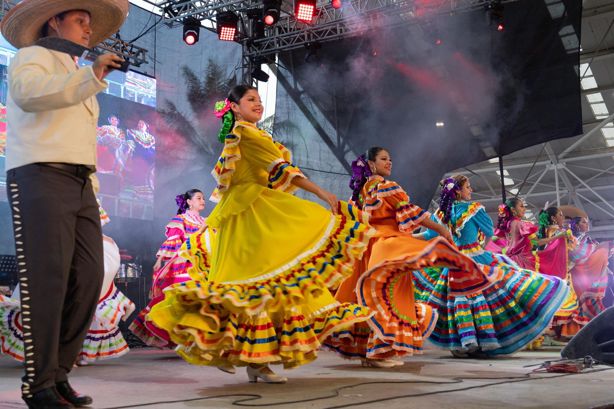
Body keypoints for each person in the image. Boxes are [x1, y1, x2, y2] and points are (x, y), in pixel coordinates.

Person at [148, 85, 374, 383]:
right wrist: (322, 192)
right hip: (250, 213)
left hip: (248, 212)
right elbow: (282, 170)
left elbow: (260, 176)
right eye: (250, 100)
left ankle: (253, 360)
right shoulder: (246, 134)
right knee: (256, 287)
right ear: (236, 107)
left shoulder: (247, 135)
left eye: (259, 99)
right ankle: (246, 358)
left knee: (256, 290)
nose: (257, 104)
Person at [1, 0, 128, 407]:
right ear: (54, 20)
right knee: (48, 282)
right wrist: (91, 75)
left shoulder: (76, 71)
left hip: (79, 184)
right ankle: (38, 385)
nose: (88, 30)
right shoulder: (31, 57)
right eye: (79, 20)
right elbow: (28, 95)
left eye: (89, 23)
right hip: (39, 175)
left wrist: (91, 188)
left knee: (90, 277)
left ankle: (58, 374)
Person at [324, 148, 496, 367]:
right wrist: (440, 230)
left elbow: (354, 218)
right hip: (388, 246)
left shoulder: (360, 193)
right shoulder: (387, 187)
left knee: (369, 297)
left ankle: (369, 353)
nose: (389, 162)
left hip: (368, 248)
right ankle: (379, 352)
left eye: (390, 159)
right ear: (372, 164)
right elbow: (411, 211)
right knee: (389, 297)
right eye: (384, 159)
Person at [413, 175, 568, 356]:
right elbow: (488, 231)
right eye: (468, 187)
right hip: (475, 259)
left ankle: (464, 342)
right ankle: (481, 341)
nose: (471, 190)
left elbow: (428, 235)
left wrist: (402, 236)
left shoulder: (440, 214)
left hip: (453, 262)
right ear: (458, 191)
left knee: (459, 302)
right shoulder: (474, 209)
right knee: (497, 296)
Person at [0, 207, 135, 366]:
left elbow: (103, 271)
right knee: (49, 313)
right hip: (56, 281)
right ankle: (42, 354)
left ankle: (70, 353)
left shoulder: (105, 244)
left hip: (81, 284)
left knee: (78, 314)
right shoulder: (58, 237)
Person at [129, 189, 207, 347]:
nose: (202, 200)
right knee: (182, 298)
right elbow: (174, 240)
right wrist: (160, 259)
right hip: (185, 262)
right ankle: (179, 334)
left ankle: (194, 337)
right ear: (189, 202)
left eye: (203, 198)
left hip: (203, 263)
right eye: (198, 198)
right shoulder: (181, 219)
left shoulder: (206, 221)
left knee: (202, 298)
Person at [569, 217, 612, 320]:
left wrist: (602, 254)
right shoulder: (570, 238)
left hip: (590, 273)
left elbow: (594, 253)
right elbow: (573, 254)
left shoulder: (590, 240)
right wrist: (598, 249)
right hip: (576, 274)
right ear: (576, 225)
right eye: (584, 222)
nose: (587, 224)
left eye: (587, 222)